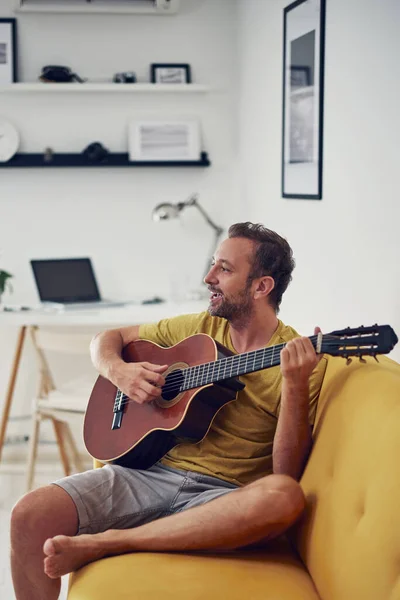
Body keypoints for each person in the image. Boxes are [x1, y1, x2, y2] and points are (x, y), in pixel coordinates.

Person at [10, 222, 326, 600]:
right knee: (27, 515)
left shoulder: (298, 359)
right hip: (149, 473)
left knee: (283, 496)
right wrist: (120, 371)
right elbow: (107, 339)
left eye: (224, 269)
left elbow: (286, 471)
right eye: (213, 264)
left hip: (222, 499)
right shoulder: (199, 328)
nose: (208, 277)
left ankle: (112, 542)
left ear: (261, 287)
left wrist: (293, 384)